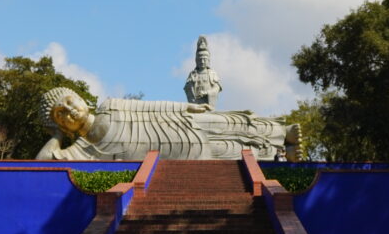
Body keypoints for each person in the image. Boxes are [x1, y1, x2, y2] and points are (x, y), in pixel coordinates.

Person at [35, 87, 301, 161]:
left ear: (81, 98)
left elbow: (149, 105)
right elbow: (43, 161)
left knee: (227, 121)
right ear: (63, 126)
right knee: (230, 150)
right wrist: (55, 135)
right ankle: (282, 154)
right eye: (61, 115)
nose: (70, 111)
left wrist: (186, 106)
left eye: (70, 102)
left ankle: (281, 132)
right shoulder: (83, 150)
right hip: (175, 152)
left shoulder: (111, 105)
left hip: (172, 122)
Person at [184, 35, 222, 108]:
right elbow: (187, 89)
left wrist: (206, 93)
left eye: (204, 59)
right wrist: (191, 85)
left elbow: (216, 88)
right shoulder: (193, 74)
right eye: (200, 59)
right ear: (196, 61)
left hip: (207, 102)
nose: (202, 61)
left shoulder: (212, 74)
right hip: (196, 104)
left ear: (208, 60)